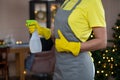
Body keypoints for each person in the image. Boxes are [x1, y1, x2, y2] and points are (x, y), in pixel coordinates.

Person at [26, 0, 107, 80]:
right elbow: (60, 36)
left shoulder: (92, 2)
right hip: (60, 66)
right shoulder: (67, 2)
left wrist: (72, 47)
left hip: (78, 68)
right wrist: (43, 31)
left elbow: (102, 41)